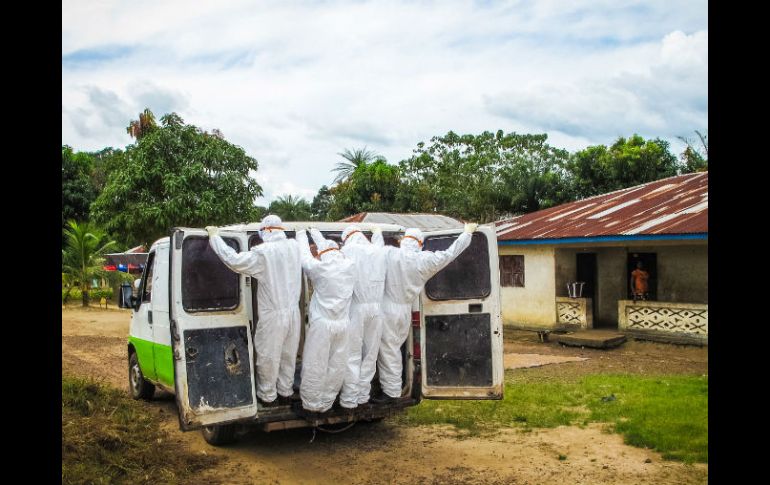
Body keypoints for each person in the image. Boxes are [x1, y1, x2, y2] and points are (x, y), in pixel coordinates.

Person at [370, 223, 476, 404]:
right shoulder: (425, 260)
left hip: (386, 309)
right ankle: (392, 390)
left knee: (386, 351)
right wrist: (466, 234)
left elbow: (375, 250)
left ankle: (391, 393)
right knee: (393, 349)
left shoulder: (389, 253)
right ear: (420, 244)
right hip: (404, 311)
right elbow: (450, 254)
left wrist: (377, 234)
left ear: (403, 241)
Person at [205, 214, 302, 408]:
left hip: (273, 315)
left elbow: (234, 260)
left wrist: (215, 238)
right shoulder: (295, 247)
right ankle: (285, 393)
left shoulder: (263, 253)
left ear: (266, 231)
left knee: (268, 357)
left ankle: (268, 398)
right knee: (288, 357)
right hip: (293, 313)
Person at [295, 228, 356, 417]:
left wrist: (300, 235)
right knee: (337, 365)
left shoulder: (320, 268)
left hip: (323, 325)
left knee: (316, 364)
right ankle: (327, 403)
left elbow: (305, 256)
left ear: (323, 255)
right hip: (343, 324)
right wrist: (316, 234)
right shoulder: (350, 266)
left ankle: (312, 406)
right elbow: (329, 251)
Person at [338, 224, 388, 409]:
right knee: (370, 354)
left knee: (352, 354)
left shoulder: (347, 251)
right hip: (376, 309)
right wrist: (377, 233)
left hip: (356, 308)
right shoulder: (378, 250)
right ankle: (363, 396)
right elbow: (379, 244)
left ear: (347, 237)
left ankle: (350, 399)